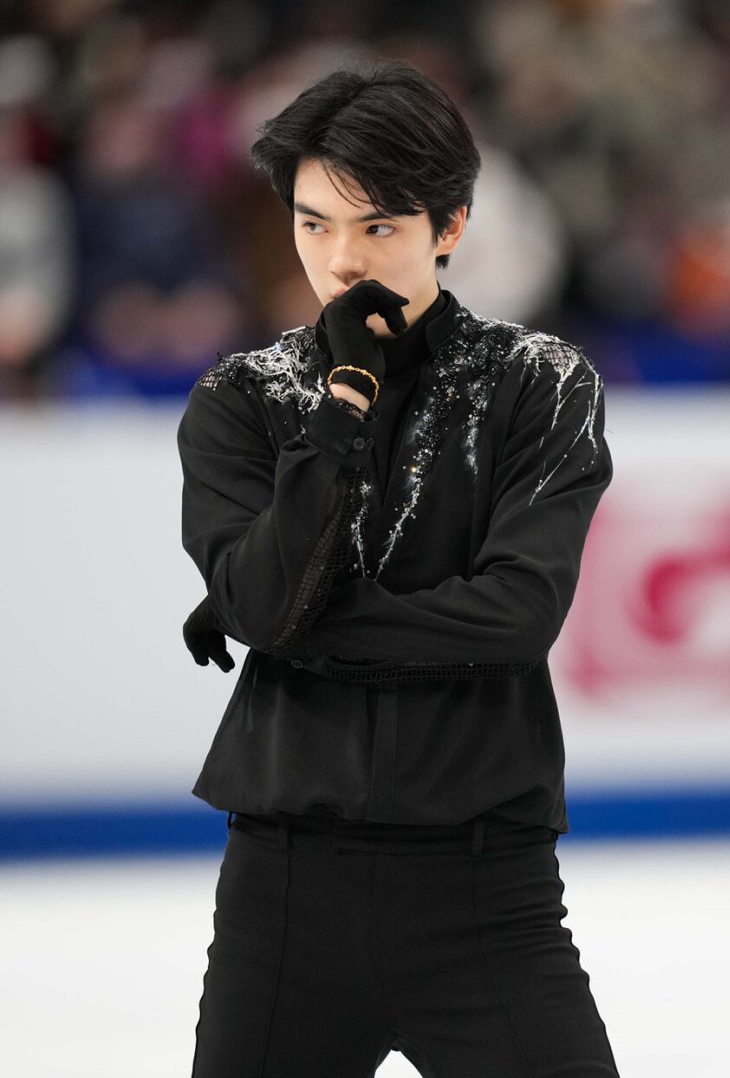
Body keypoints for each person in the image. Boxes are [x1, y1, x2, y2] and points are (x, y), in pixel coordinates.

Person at [176, 58, 620, 1078]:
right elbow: (262, 602)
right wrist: (341, 404)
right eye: (314, 222)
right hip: (284, 897)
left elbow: (517, 615)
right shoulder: (242, 401)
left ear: (449, 225)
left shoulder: (541, 387)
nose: (341, 259)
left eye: (377, 226)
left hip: (487, 896)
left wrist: (280, 618)